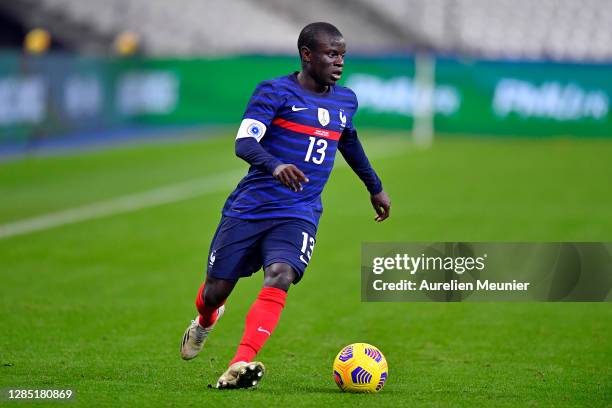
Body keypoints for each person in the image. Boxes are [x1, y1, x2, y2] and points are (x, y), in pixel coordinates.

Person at [180, 21, 391, 389]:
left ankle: (240, 362)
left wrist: (375, 187)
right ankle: (206, 320)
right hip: (252, 207)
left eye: (342, 54)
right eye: (330, 54)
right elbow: (244, 143)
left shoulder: (345, 100)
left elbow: (349, 142)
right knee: (215, 292)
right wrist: (275, 164)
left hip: (300, 211)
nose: (339, 62)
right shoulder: (274, 92)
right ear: (307, 55)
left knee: (281, 274)